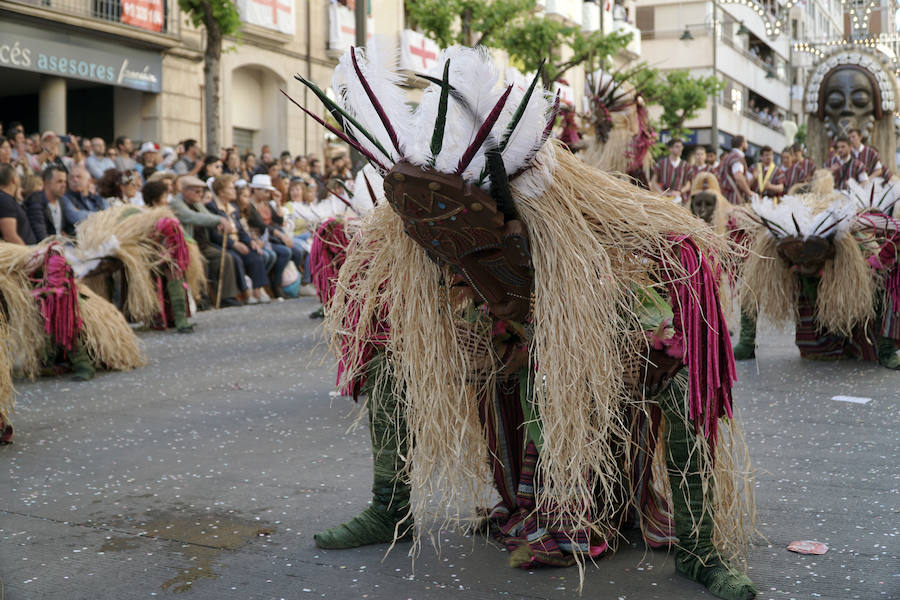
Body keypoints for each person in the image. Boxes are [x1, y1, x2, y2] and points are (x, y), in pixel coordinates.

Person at [306, 46, 756, 600]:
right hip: (506, 336)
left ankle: (700, 550)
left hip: (589, 336)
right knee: (388, 364)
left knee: (682, 385)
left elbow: (644, 300)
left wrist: (641, 346)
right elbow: (443, 290)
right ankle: (388, 508)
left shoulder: (574, 230)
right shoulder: (433, 220)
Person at [170, 175, 241, 307]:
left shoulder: (196, 203)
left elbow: (207, 216)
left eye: (201, 191)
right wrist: (218, 220)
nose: (200, 194)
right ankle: (201, 298)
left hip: (202, 243)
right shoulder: (176, 204)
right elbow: (193, 217)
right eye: (197, 191)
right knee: (201, 262)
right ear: (185, 191)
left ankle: (227, 296)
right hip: (188, 245)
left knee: (225, 258)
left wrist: (219, 222)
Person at [206, 175, 271, 304]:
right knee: (236, 258)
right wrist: (234, 244)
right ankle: (246, 293)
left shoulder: (233, 208)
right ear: (221, 191)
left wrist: (250, 242)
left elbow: (241, 230)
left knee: (255, 254)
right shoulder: (212, 207)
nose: (234, 191)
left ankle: (258, 290)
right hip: (224, 243)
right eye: (231, 188)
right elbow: (214, 234)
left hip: (238, 241)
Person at [24, 166, 69, 240]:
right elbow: (41, 237)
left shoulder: (60, 201)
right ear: (47, 183)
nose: (64, 185)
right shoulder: (35, 202)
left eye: (65, 182)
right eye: (59, 181)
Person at [0, 163, 36, 245]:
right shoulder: (4, 200)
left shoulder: (7, 199)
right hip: (22, 254)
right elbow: (10, 236)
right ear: (14, 180)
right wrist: (28, 253)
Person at [717, 135, 753, 204]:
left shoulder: (730, 156)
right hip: (733, 198)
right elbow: (738, 177)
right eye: (746, 142)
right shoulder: (737, 157)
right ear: (742, 144)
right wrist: (749, 192)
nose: (747, 144)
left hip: (726, 197)